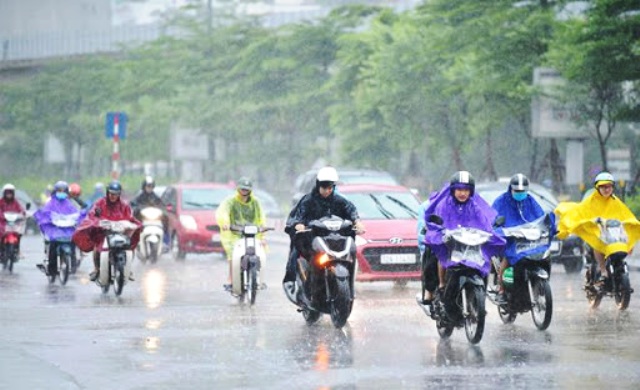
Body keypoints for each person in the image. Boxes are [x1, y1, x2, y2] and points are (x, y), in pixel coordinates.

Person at [422, 171, 505, 303]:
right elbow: (439, 222)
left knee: (486, 257)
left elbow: (483, 223)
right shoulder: (444, 204)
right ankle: (439, 286)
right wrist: (441, 232)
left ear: (471, 191)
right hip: (450, 243)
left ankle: (483, 291)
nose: (463, 193)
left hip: (469, 244)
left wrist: (490, 233)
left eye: (466, 190)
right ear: (453, 190)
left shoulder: (474, 206)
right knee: (436, 258)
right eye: (459, 189)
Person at [282, 167, 365, 292]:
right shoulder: (308, 200)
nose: (327, 191)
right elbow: (298, 217)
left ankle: (350, 287)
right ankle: (292, 280)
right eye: (324, 188)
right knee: (295, 251)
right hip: (313, 238)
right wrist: (299, 224)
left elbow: (351, 210)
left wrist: (357, 222)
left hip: (334, 238)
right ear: (318, 185)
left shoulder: (339, 200)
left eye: (330, 188)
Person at [556, 171, 640, 285]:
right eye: (603, 187)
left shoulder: (616, 202)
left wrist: (631, 223)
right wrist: (592, 221)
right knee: (598, 245)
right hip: (597, 233)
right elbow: (581, 213)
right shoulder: (591, 201)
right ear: (597, 187)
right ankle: (603, 270)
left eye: (609, 186)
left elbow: (626, 215)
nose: (607, 189)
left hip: (612, 234)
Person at [491, 173, 551, 302]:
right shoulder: (501, 201)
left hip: (529, 240)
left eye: (523, 191)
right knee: (507, 259)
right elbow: (493, 219)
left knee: (545, 255)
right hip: (511, 239)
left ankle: (538, 285)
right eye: (517, 191)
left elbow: (540, 217)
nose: (520, 193)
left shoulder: (530, 201)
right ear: (510, 189)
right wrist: (499, 228)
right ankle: (501, 289)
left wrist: (546, 226)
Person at [72, 180, 141, 282]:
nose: (113, 196)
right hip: (104, 233)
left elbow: (130, 217)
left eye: (116, 194)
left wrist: (135, 224)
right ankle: (96, 269)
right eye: (111, 193)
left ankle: (128, 269)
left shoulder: (124, 205)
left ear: (119, 194)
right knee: (97, 245)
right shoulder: (100, 203)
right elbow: (92, 215)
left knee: (130, 246)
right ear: (107, 192)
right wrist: (98, 221)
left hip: (120, 233)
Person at [215, 177, 266, 290]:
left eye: (246, 190)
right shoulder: (230, 201)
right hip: (234, 233)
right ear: (238, 189)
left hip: (252, 233)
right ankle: (231, 278)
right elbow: (223, 212)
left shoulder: (255, 202)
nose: (244, 192)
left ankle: (258, 278)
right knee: (233, 254)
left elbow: (261, 215)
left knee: (259, 252)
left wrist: (262, 229)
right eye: (242, 189)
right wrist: (225, 223)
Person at [33, 181, 86, 275]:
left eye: (63, 191)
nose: (61, 193)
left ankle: (73, 263)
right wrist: (47, 218)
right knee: (53, 244)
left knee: (73, 241)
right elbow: (45, 212)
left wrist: (80, 216)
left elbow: (75, 213)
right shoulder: (50, 203)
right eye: (59, 190)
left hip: (67, 229)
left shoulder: (69, 203)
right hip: (54, 229)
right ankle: (51, 268)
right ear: (55, 191)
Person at [130, 176, 169, 249]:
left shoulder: (155, 197)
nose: (149, 188)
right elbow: (133, 203)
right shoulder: (140, 197)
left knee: (165, 217)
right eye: (148, 186)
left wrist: (163, 208)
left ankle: (165, 241)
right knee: (134, 218)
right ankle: (135, 238)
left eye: (151, 186)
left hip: (154, 218)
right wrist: (136, 208)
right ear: (144, 187)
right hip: (143, 219)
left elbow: (161, 204)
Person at [0, 184, 27, 262]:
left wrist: (23, 213)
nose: (9, 195)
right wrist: (2, 216)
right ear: (4, 193)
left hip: (13, 223)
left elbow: (20, 209)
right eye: (7, 193)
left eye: (10, 193)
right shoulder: (1, 202)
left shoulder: (15, 202)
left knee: (18, 234)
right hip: (3, 223)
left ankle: (17, 250)